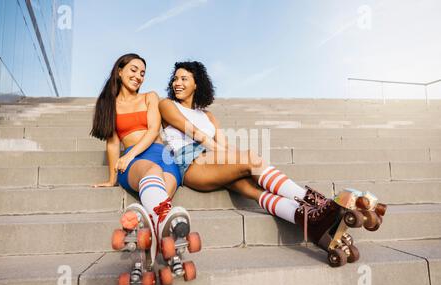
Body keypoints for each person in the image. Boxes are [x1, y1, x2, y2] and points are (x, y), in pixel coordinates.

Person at [158, 61, 381, 259]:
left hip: (214, 160)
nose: (177, 82)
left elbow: (225, 145)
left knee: (254, 190)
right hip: (192, 164)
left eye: (184, 78)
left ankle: (309, 222)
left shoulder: (208, 115)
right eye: (175, 78)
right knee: (250, 160)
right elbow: (194, 133)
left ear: (196, 84)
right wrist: (235, 157)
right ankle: (319, 204)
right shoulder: (167, 105)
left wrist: (235, 155)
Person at [90, 53, 189, 251]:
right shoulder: (109, 105)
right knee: (152, 172)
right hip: (135, 163)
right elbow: (112, 144)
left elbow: (153, 130)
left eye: (142, 73)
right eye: (133, 70)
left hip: (162, 155)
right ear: (119, 71)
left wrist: (129, 154)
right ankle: (166, 232)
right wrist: (112, 178)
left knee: (165, 188)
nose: (138, 76)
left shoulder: (149, 97)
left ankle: (151, 230)